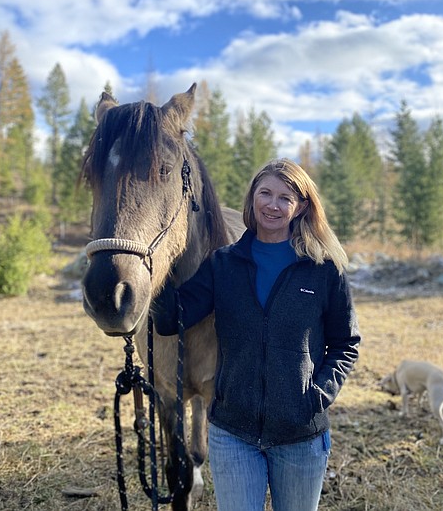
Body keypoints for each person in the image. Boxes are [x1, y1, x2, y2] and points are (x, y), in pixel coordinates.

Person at [153, 158, 361, 511]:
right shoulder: (223, 264)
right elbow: (173, 318)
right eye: (265, 193)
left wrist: (317, 397)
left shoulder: (323, 270)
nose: (273, 205)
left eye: (285, 197)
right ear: (252, 198)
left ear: (302, 206)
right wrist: (151, 261)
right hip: (233, 435)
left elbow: (346, 343)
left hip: (300, 436)